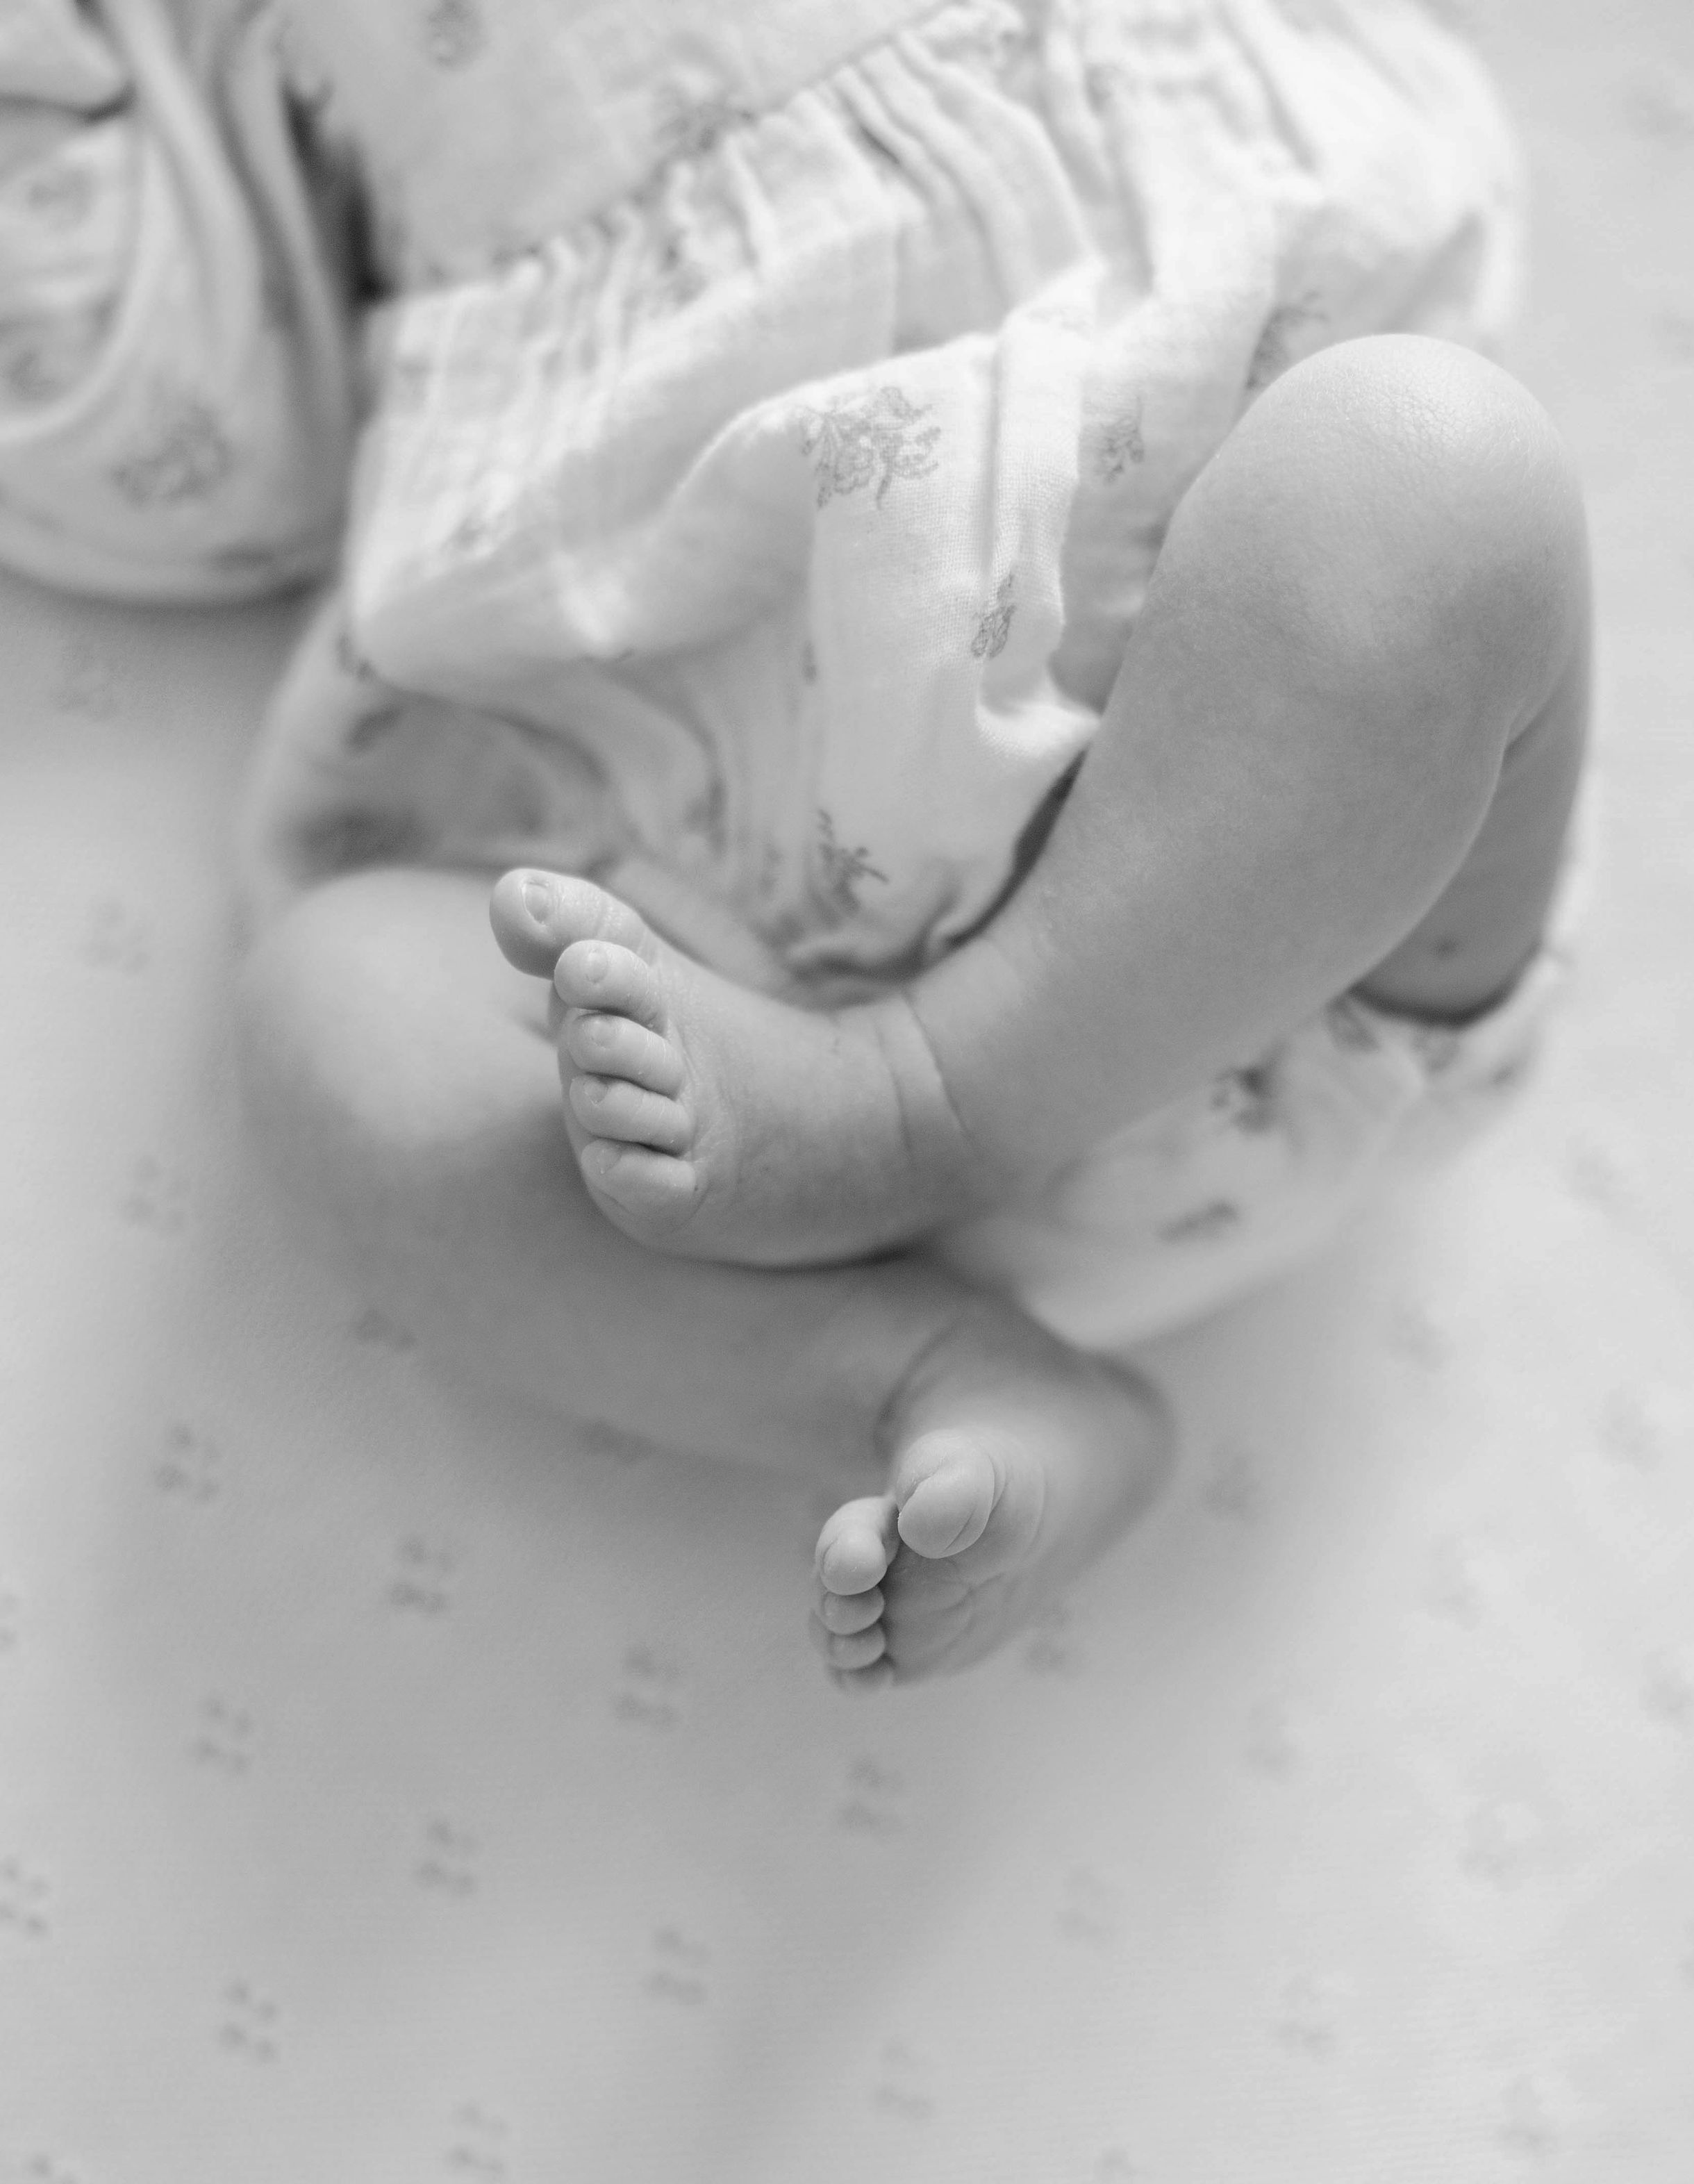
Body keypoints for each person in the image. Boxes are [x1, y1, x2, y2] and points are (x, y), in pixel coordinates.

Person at [1, 0, 1589, 1686]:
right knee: (334, 1014)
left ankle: (930, 1098)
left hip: (1242, 861)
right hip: (688, 971)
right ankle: (914, 1371)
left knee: (1432, 478)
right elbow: (163, 434)